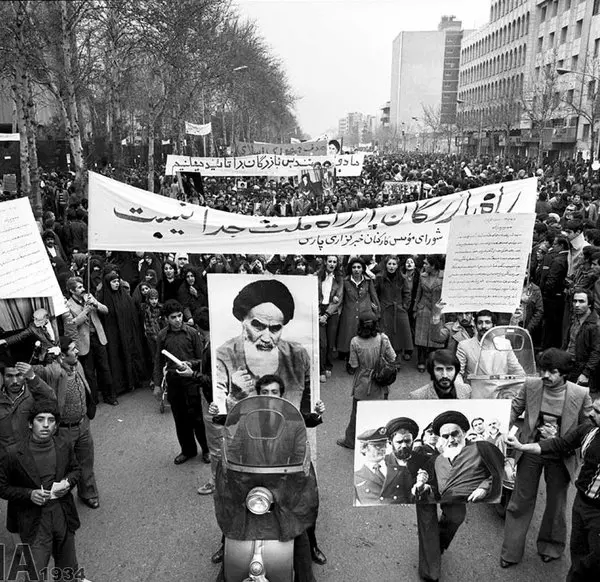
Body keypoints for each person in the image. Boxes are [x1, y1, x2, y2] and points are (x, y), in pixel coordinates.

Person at [207, 374, 327, 566]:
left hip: (284, 479)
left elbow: (303, 439)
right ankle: (226, 544)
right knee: (232, 505)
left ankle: (312, 546)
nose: (269, 395)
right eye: (265, 392)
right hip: (251, 476)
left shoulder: (293, 419)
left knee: (304, 507)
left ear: (281, 395)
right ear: (259, 395)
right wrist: (216, 414)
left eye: (274, 392)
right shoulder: (247, 419)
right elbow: (234, 442)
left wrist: (318, 413)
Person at [500, 348, 593, 568]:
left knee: (556, 504)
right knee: (520, 501)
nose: (545, 376)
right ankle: (510, 552)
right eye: (543, 370)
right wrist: (499, 428)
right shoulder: (531, 385)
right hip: (529, 448)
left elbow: (588, 427)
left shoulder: (580, 394)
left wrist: (562, 437)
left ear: (564, 374)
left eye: (552, 372)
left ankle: (551, 546)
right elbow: (514, 409)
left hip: (561, 453)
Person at [506, 398, 600, 581]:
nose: (590, 414)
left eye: (597, 411)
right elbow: (559, 444)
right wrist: (522, 446)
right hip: (581, 503)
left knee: (593, 562)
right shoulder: (589, 430)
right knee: (578, 556)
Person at [0, 400, 88, 582]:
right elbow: (3, 488)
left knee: (68, 568)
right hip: (34, 520)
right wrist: (29, 494)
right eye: (40, 420)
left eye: (51, 420)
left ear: (56, 425)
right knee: (35, 571)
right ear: (30, 424)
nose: (46, 425)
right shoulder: (13, 454)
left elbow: (76, 470)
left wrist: (66, 483)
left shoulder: (63, 446)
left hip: (62, 514)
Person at [214, 279, 311, 413]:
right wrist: (234, 397)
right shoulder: (224, 356)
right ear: (243, 321)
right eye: (258, 326)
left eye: (275, 329)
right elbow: (219, 414)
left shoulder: (298, 355)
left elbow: (310, 406)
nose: (266, 338)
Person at [33, 337, 100, 509]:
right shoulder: (54, 372)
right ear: (62, 356)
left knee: (86, 463)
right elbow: (35, 372)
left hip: (83, 425)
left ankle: (88, 493)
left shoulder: (77, 365)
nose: (77, 351)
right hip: (64, 431)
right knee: (62, 468)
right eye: (72, 349)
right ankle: (60, 503)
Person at [153, 300, 210, 465]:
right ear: (166, 319)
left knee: (197, 419)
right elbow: (158, 361)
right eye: (173, 317)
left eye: (179, 316)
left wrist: (190, 364)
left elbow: (202, 360)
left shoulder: (192, 333)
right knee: (180, 419)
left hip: (192, 381)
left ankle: (206, 450)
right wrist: (157, 384)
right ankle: (188, 451)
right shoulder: (162, 336)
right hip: (174, 382)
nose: (178, 320)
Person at [337, 318, 395, 449]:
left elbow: (354, 364)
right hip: (381, 385)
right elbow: (392, 357)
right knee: (381, 413)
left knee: (356, 415)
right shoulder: (383, 338)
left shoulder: (355, 341)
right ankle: (381, 441)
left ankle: (350, 441)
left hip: (363, 385)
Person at [66, 277, 117, 406]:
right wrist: (85, 311)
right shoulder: (68, 305)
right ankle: (93, 399)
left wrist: (95, 304)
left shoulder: (89, 297)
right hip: (84, 341)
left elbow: (106, 310)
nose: (83, 289)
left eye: (83, 286)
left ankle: (109, 396)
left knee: (104, 368)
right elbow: (72, 324)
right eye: (79, 287)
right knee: (89, 372)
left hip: (98, 338)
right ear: (72, 291)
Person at [97, 271, 147, 394]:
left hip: (128, 332)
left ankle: (134, 381)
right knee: (117, 358)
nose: (117, 284)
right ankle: (121, 385)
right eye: (113, 282)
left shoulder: (124, 295)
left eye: (117, 281)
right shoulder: (104, 298)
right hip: (114, 335)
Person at [456, 309, 525, 397]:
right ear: (476, 325)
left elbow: (517, 370)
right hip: (476, 396)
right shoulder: (464, 345)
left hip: (501, 395)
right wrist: (461, 389)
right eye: (480, 323)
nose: (483, 326)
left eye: (487, 322)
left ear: (494, 325)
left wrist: (517, 389)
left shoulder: (505, 344)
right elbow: (458, 372)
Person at [0, 359, 56, 449]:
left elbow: (51, 400)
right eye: (9, 376)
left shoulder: (33, 393)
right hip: (5, 453)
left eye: (19, 375)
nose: (15, 381)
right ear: (2, 376)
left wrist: (33, 377)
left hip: (31, 451)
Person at [336, 257, 380, 361]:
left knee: (364, 334)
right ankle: (349, 357)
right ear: (350, 269)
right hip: (349, 311)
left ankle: (363, 357)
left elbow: (374, 296)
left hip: (365, 311)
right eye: (354, 267)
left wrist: (377, 312)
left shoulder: (368, 281)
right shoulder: (345, 281)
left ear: (363, 269)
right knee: (348, 335)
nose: (356, 269)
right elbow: (341, 296)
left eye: (359, 267)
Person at [375, 255, 413, 365]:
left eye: (394, 264)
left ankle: (397, 359)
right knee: (386, 335)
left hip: (399, 310)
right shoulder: (379, 277)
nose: (391, 266)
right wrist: (378, 307)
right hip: (385, 309)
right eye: (389, 264)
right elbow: (375, 293)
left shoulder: (402, 278)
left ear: (397, 266)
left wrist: (404, 307)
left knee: (399, 335)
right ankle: (385, 360)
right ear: (386, 265)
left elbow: (407, 293)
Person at [562, 288, 600, 392]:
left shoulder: (595, 325)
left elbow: (596, 352)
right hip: (568, 364)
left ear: (589, 304)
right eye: (575, 301)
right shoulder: (574, 318)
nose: (577, 305)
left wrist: (586, 373)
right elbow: (568, 342)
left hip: (581, 369)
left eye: (581, 301)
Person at [413, 255, 445, 372]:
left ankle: (432, 361)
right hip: (423, 308)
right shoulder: (423, 276)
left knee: (435, 335)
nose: (424, 265)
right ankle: (421, 360)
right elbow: (418, 293)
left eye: (426, 264)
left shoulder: (444, 276)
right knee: (421, 335)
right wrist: (415, 309)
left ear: (433, 265)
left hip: (437, 309)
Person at [317, 255, 344, 383]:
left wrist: (326, 315)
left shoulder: (339, 278)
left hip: (332, 312)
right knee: (323, 343)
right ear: (325, 262)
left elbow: (339, 298)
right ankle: (321, 370)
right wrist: (319, 314)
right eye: (330, 261)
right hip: (319, 310)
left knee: (331, 342)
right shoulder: (317, 276)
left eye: (334, 262)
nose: (332, 264)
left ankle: (328, 365)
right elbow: (313, 295)